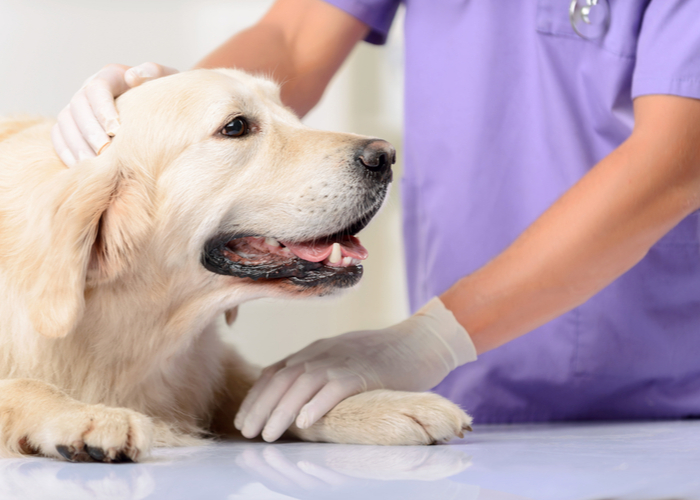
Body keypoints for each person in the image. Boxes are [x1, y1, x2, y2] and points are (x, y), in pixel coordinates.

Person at [53, 0, 700, 443]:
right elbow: (294, 39)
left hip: (665, 409)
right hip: (465, 402)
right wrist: (164, 103)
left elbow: (678, 157)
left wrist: (431, 339)